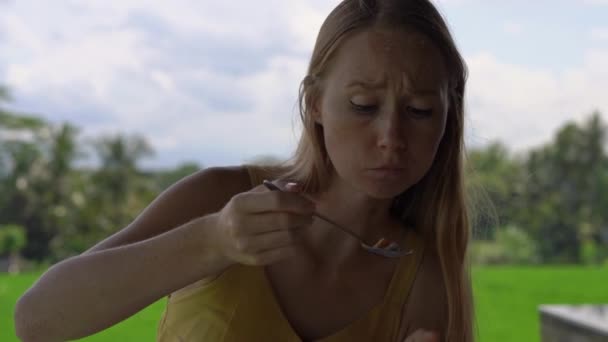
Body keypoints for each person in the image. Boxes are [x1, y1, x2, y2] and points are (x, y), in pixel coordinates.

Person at [14, 0, 475, 341]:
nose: (390, 136)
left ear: (447, 118)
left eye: (418, 110)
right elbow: (37, 320)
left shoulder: (423, 278)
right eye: (363, 105)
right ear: (315, 104)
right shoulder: (220, 198)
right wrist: (212, 240)